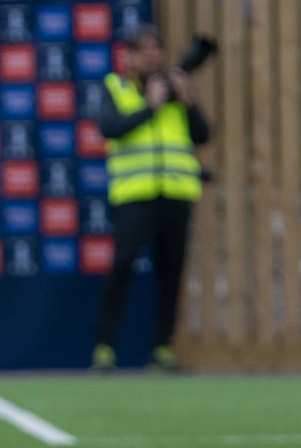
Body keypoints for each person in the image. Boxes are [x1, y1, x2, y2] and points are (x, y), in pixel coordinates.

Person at [92, 25, 210, 371]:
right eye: (144, 49)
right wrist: (149, 106)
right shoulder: (116, 87)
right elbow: (110, 128)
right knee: (121, 268)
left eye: (156, 49)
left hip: (175, 193)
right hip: (134, 196)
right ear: (128, 55)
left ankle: (162, 348)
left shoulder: (176, 88)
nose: (152, 55)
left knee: (171, 273)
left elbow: (202, 135)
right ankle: (105, 347)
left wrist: (189, 102)